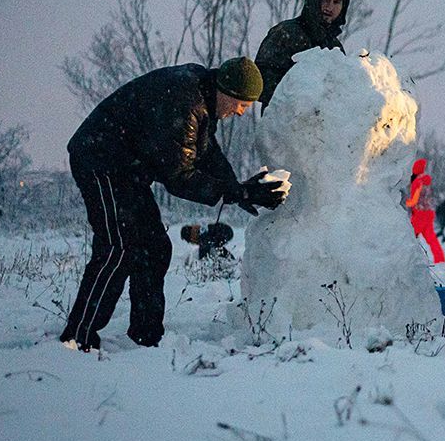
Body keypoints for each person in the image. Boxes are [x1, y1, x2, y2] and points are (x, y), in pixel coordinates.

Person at [60, 58, 287, 351]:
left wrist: (236, 187)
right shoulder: (185, 102)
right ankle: (78, 336)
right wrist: (237, 193)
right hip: (100, 160)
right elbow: (179, 177)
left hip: (128, 170)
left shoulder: (202, 98)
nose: (241, 111)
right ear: (225, 90)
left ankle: (145, 337)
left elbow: (206, 152)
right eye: (241, 103)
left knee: (154, 247)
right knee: (119, 246)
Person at [254, 0, 350, 108]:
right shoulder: (286, 33)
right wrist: (295, 97)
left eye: (336, 2)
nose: (329, 7)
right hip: (284, 116)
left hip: (323, 120)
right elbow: (260, 78)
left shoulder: (335, 48)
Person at [406, 158, 445, 264]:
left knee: (409, 235)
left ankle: (407, 258)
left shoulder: (417, 182)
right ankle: (440, 258)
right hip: (428, 212)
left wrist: (406, 202)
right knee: (431, 238)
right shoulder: (426, 181)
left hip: (419, 214)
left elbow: (414, 200)